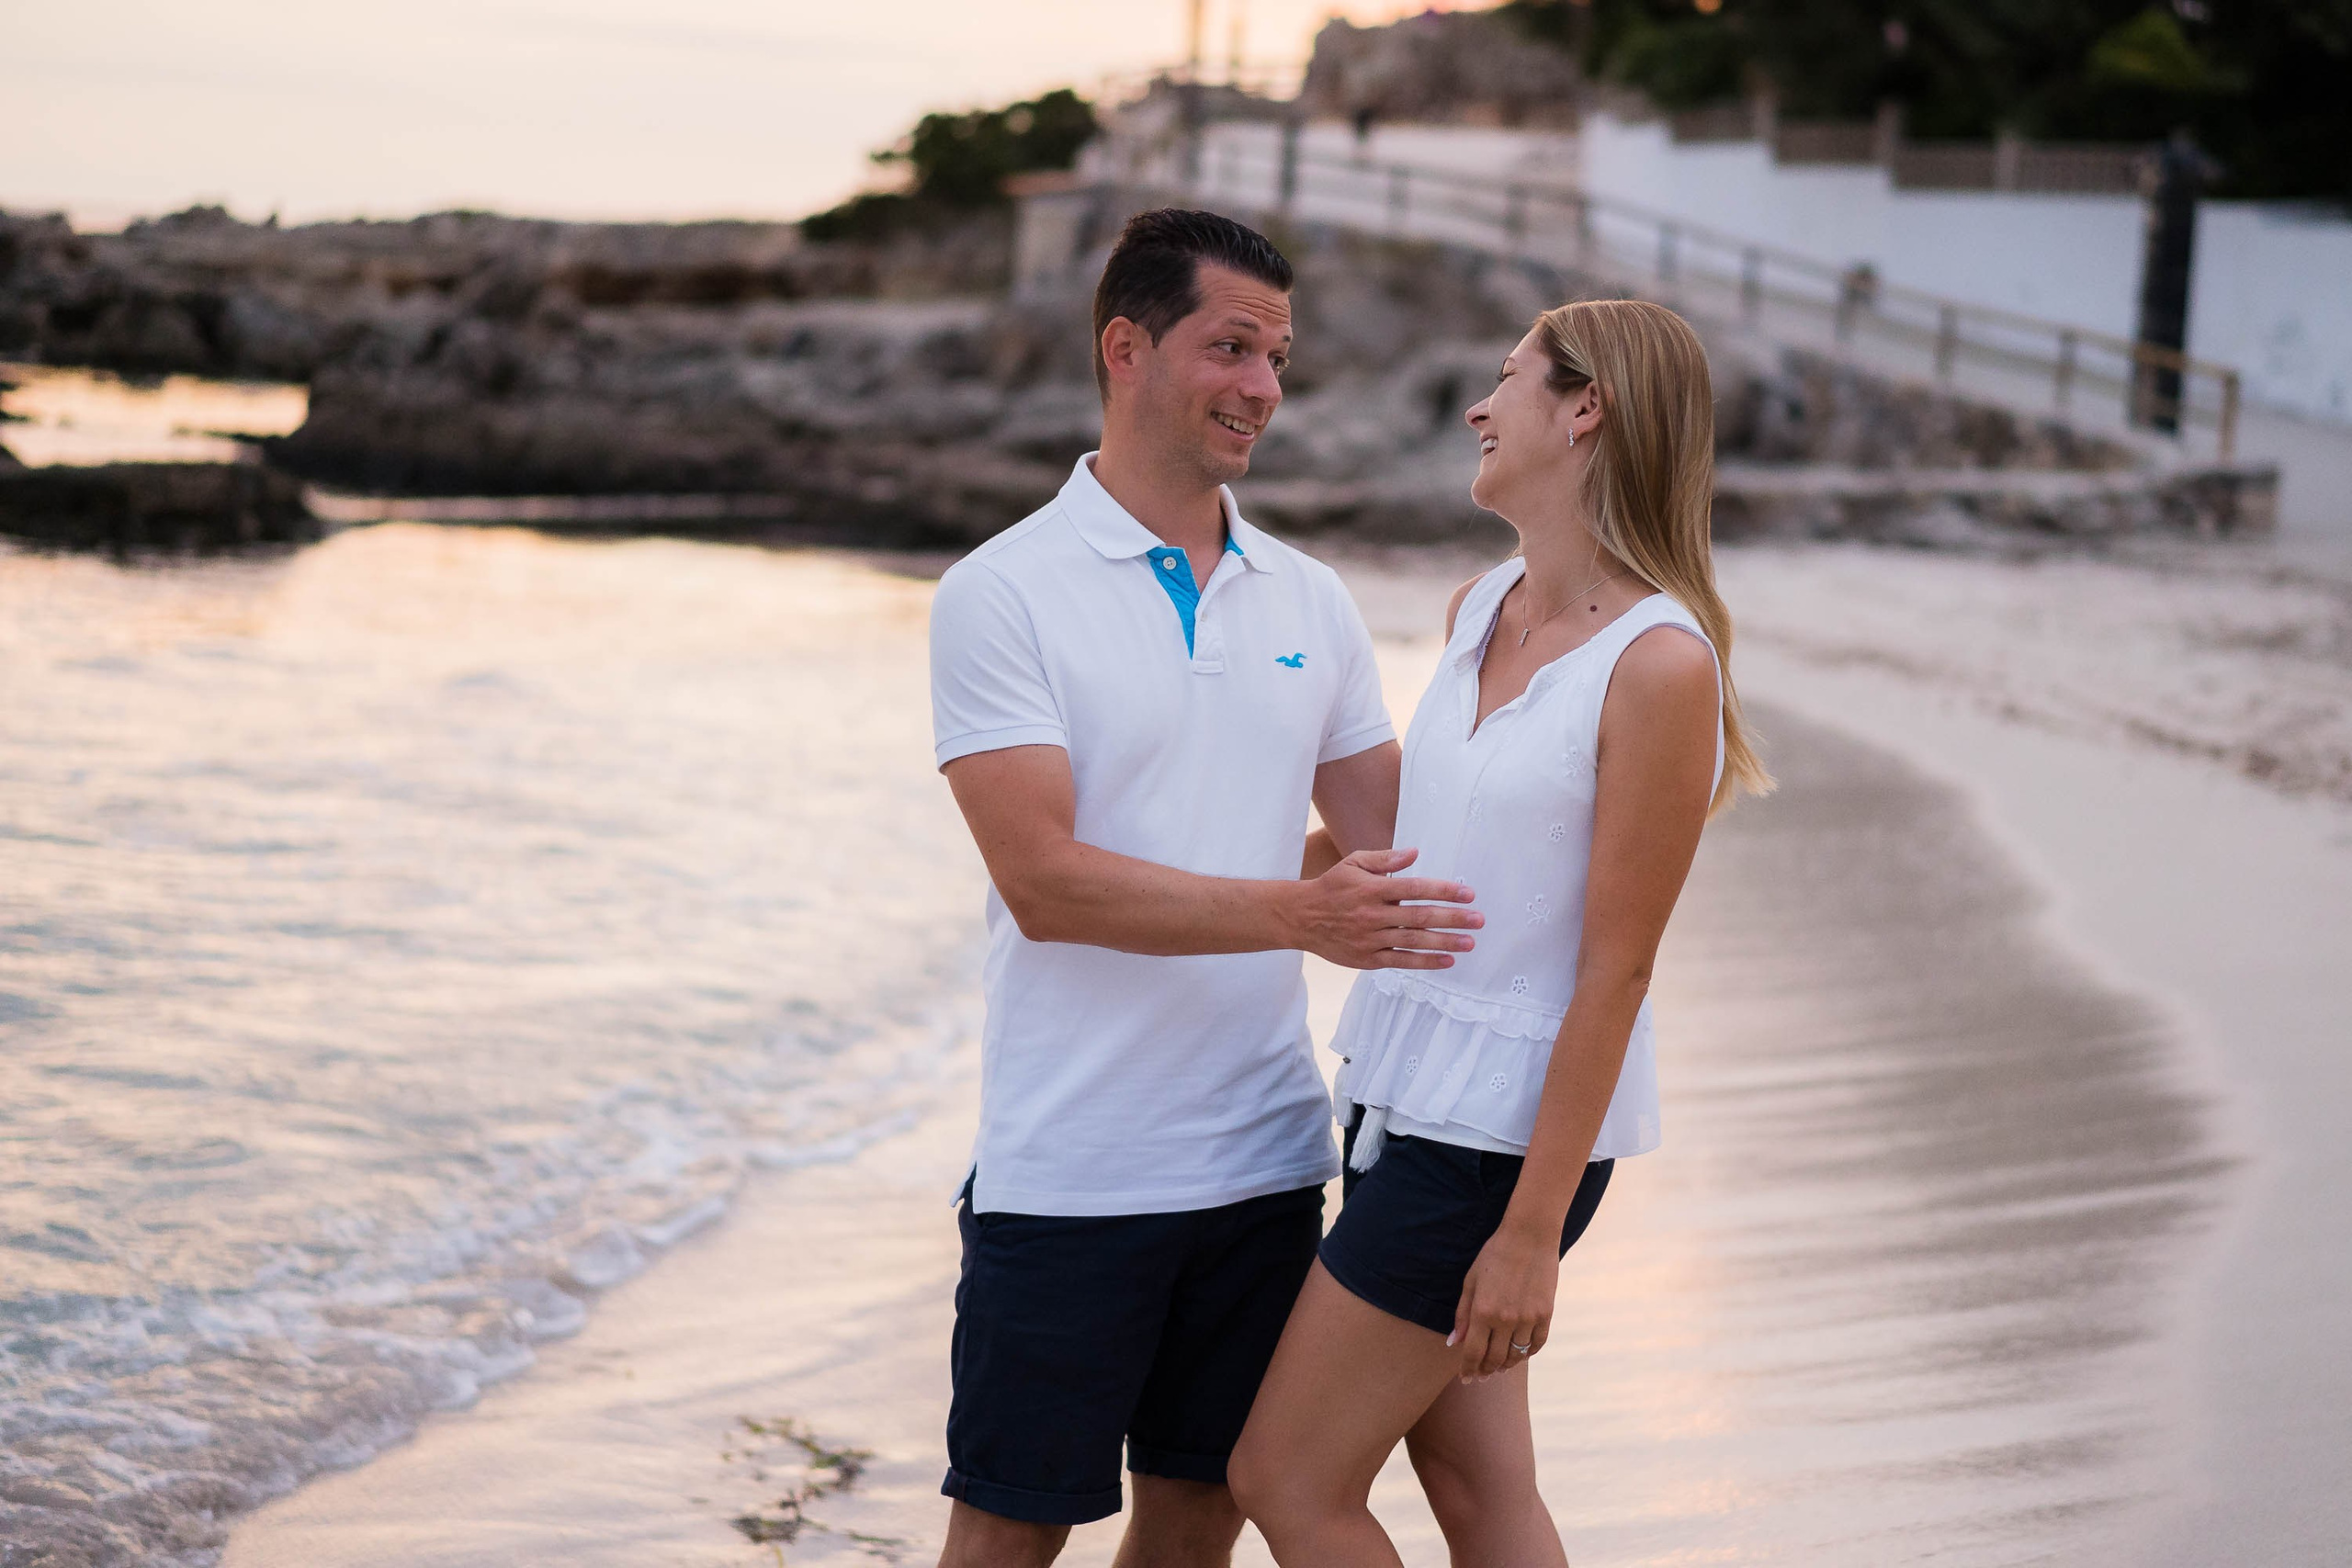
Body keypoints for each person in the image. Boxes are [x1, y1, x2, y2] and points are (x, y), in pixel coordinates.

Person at [926, 208, 1486, 1568]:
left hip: (1265, 1164)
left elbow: (1396, 846)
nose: (1263, 389)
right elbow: (1046, 882)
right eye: (1230, 348)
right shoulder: (1002, 593)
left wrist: (1601, 725)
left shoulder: (1312, 601)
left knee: (1194, 1527)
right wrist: (1297, 911)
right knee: (1007, 1535)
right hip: (1072, 1169)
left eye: (1279, 356)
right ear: (1127, 348)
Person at [1228, 299, 1773, 1568]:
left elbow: (1618, 968)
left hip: (1496, 1150)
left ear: (1586, 410)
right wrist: (1197, 895)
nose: (1479, 409)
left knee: (1286, 1479)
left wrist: (1531, 1240)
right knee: (1481, 1495)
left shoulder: (1660, 666)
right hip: (1408, 1094)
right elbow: (1419, 844)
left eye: (1507, 381)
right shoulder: (1482, 605)